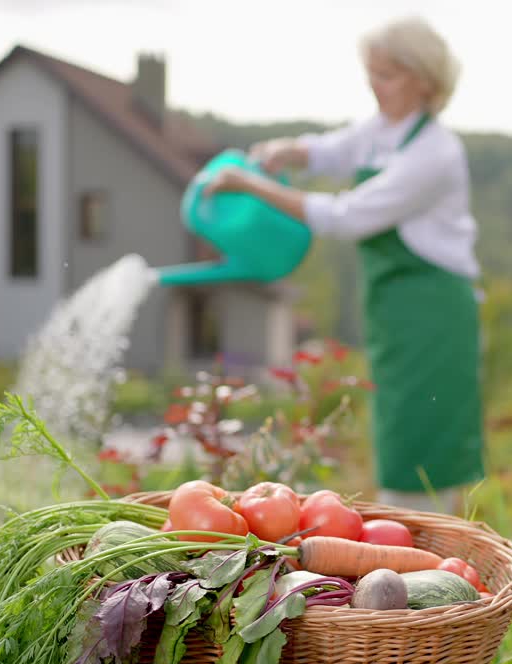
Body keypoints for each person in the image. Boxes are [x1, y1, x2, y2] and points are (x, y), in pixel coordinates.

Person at [202, 16, 484, 515]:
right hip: (396, 308)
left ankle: (435, 556)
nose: (375, 85)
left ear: (425, 79)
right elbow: (334, 149)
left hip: (434, 312)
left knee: (424, 441)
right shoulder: (384, 130)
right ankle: (413, 551)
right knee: (399, 431)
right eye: (371, 72)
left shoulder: (435, 153)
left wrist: (252, 186)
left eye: (388, 75)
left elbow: (345, 216)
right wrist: (288, 149)